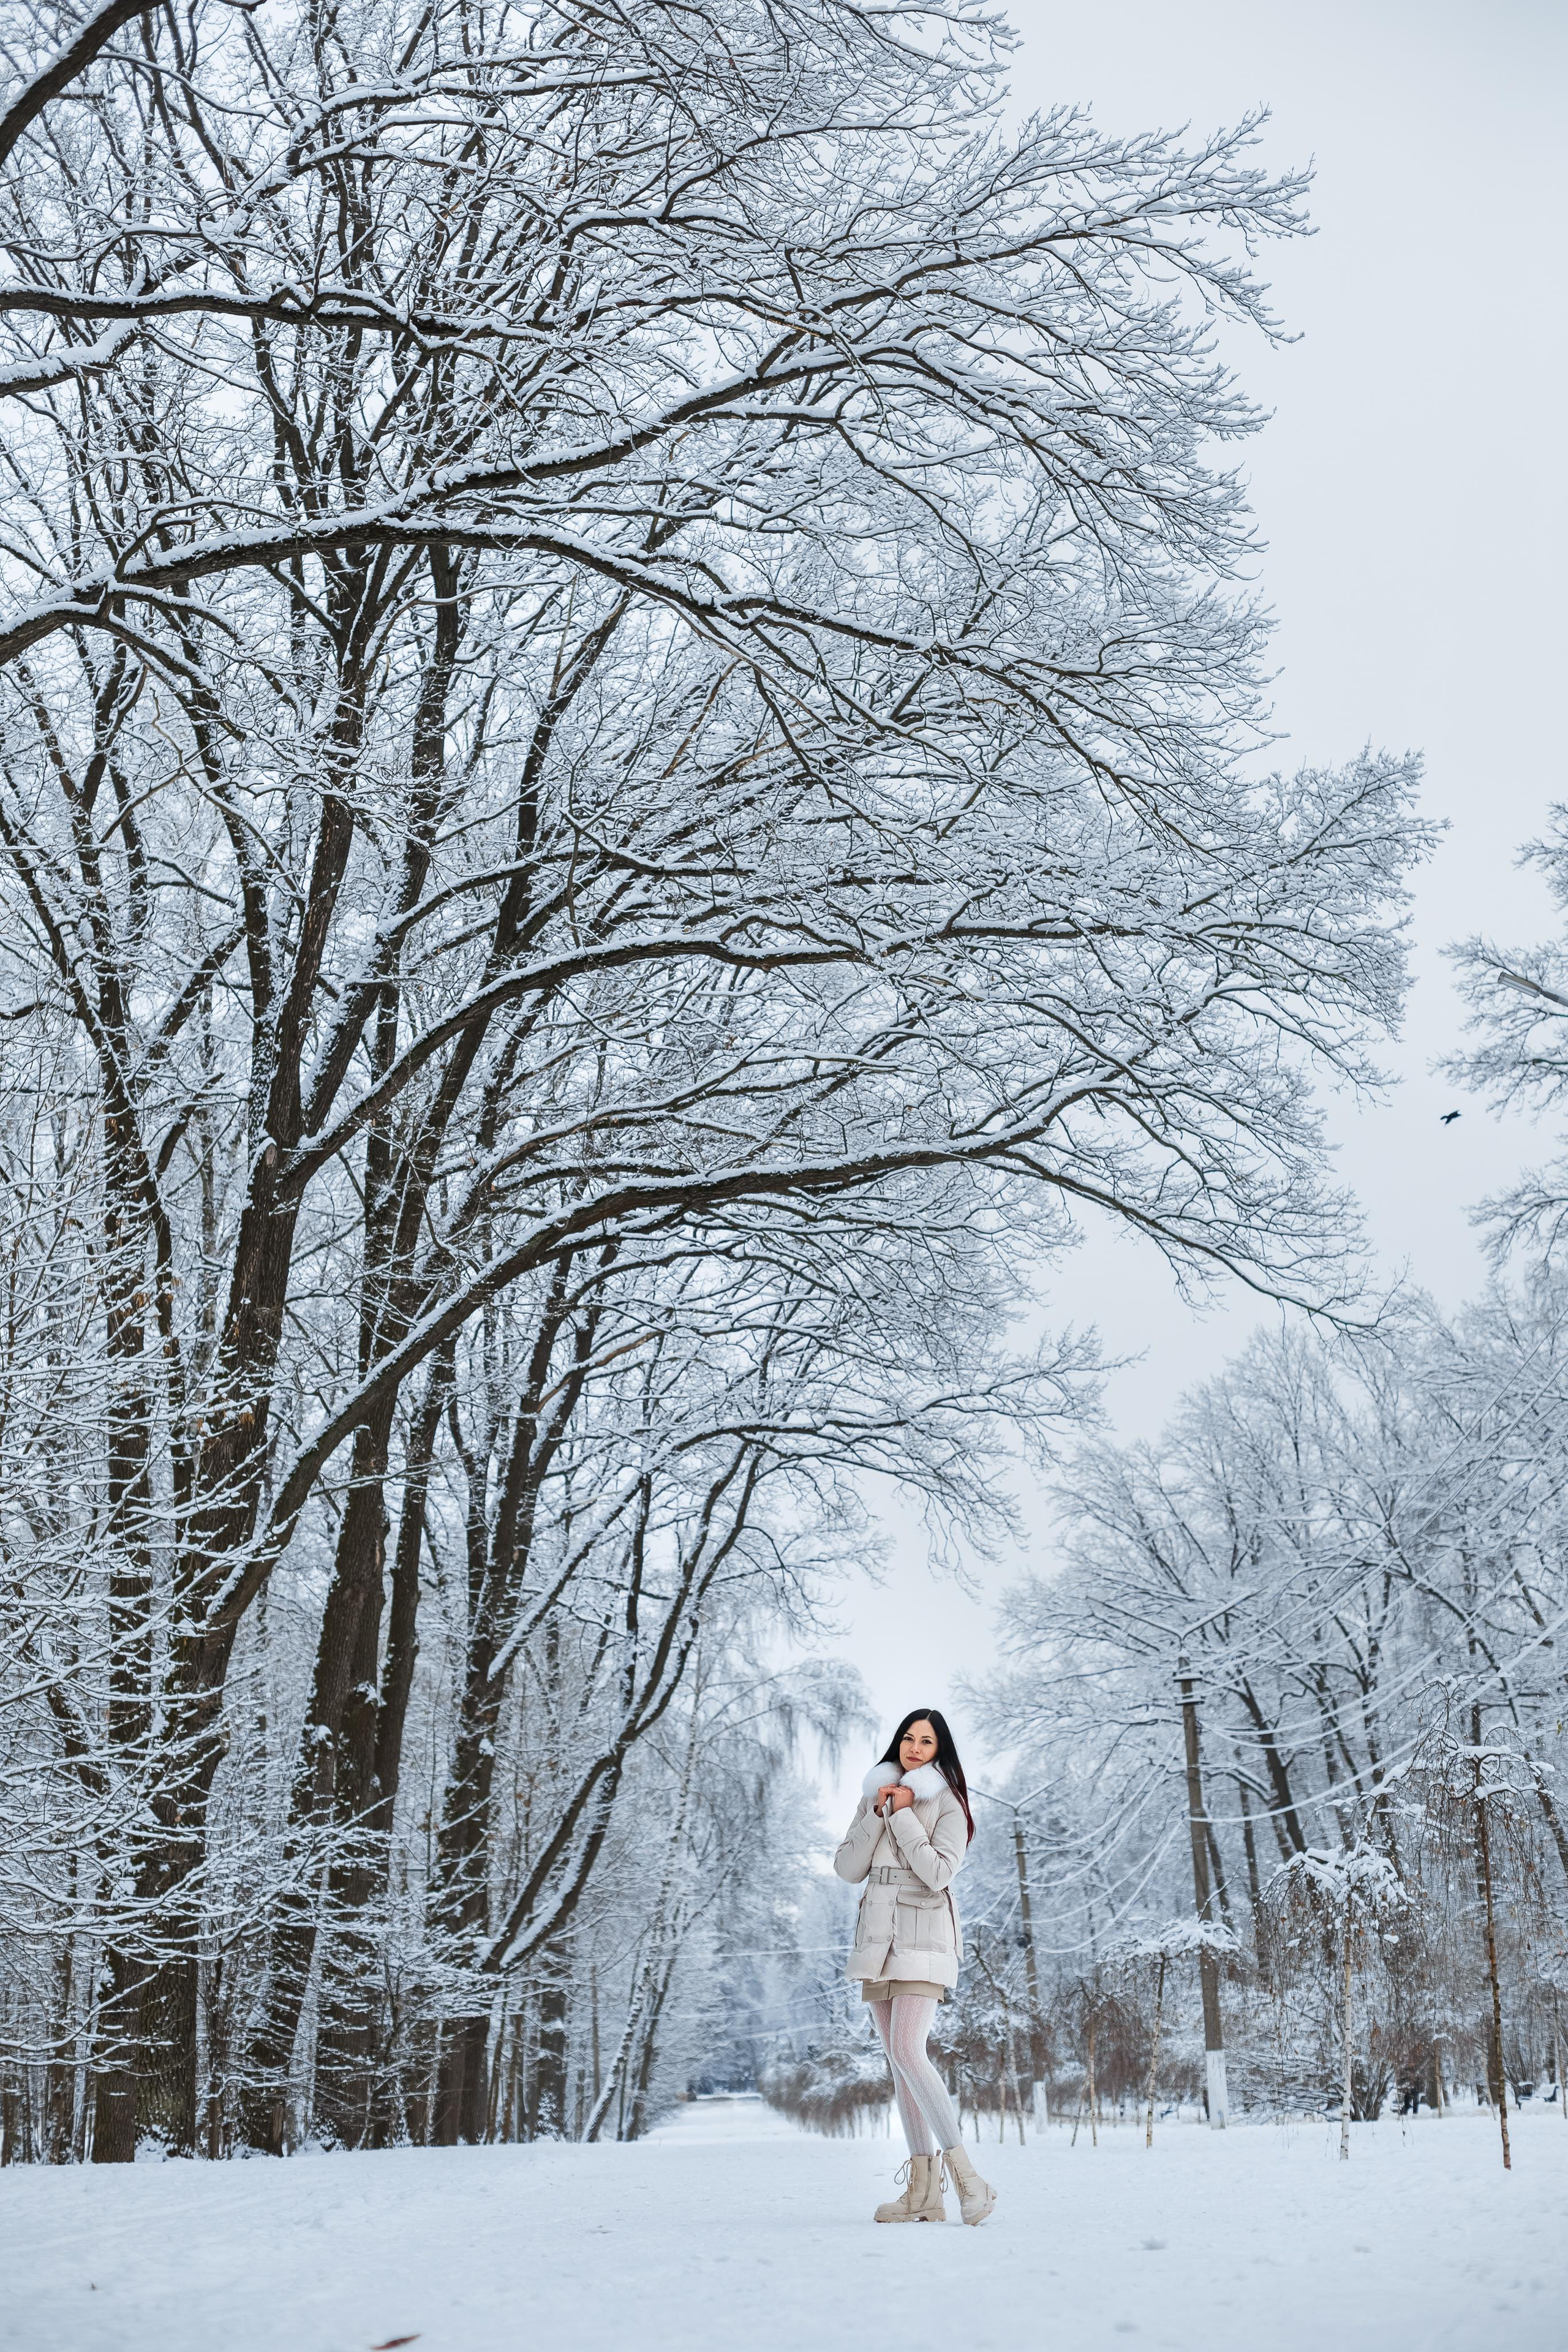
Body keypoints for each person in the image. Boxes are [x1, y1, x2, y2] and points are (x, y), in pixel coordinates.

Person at [834, 1708, 996, 2225]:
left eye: (926, 1741)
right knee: (898, 2063)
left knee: (909, 2049)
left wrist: (904, 1816)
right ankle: (924, 2194)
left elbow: (938, 1873)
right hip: (877, 1936)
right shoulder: (874, 1796)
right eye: (908, 1738)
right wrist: (876, 1812)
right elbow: (847, 1868)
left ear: (940, 1750)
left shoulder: (948, 1804)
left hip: (925, 1934)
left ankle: (970, 2180)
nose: (914, 1748)